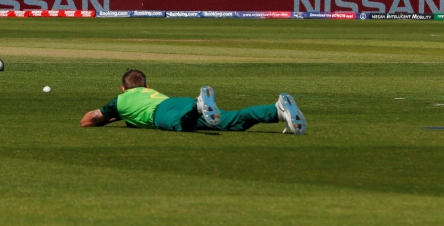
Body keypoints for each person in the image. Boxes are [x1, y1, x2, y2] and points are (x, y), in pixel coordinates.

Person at [79, 69, 307, 135]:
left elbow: (87, 121)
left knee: (180, 124)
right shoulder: (152, 92)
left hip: (161, 114)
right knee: (230, 120)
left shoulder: (120, 100)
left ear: (123, 88)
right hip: (175, 101)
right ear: (147, 86)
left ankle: (198, 106)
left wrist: (111, 115)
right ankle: (276, 110)